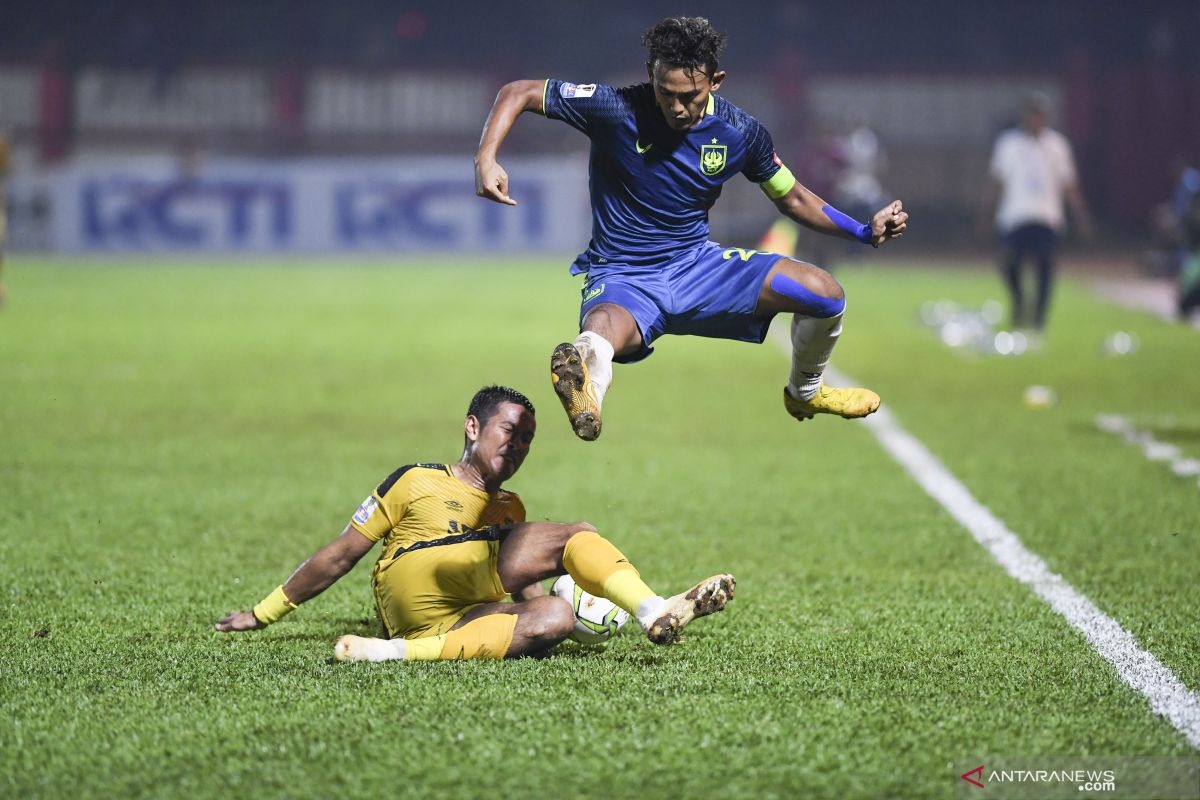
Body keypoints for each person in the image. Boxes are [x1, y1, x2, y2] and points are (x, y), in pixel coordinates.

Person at [474, 16, 907, 442]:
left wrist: (863, 232)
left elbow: (791, 197)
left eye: (691, 96)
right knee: (601, 329)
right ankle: (585, 388)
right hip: (624, 275)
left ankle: (805, 394)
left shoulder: (741, 133)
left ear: (715, 80)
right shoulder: (613, 108)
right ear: (651, 76)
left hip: (697, 267)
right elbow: (520, 92)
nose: (679, 107)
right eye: (667, 93)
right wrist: (486, 159)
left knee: (825, 293)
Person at [215, 386, 735, 662]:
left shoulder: (510, 509)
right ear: (472, 427)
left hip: (439, 622)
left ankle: (386, 655)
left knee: (552, 618)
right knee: (578, 534)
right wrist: (263, 613)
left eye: (528, 439)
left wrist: (583, 618)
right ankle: (652, 609)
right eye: (509, 430)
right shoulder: (415, 478)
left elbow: (522, 588)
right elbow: (342, 552)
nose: (517, 446)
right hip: (412, 578)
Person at [979, 92, 1093, 332]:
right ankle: (1020, 301)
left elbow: (1069, 184)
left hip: (1046, 216)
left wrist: (1080, 216)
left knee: (1045, 266)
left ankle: (1039, 316)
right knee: (1009, 264)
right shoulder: (1008, 143)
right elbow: (996, 182)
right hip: (1015, 215)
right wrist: (986, 214)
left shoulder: (1057, 145)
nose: (1036, 120)